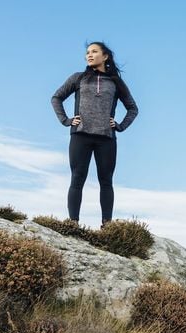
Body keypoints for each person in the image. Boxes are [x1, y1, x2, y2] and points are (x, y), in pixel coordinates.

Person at [51, 41, 138, 227]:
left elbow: (132, 108)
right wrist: (66, 120)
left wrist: (120, 126)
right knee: (77, 178)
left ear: (105, 56)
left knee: (106, 181)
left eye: (94, 51)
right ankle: (73, 223)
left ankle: (107, 226)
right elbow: (56, 98)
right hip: (80, 135)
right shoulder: (78, 78)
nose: (89, 55)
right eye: (87, 52)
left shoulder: (115, 82)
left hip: (106, 138)